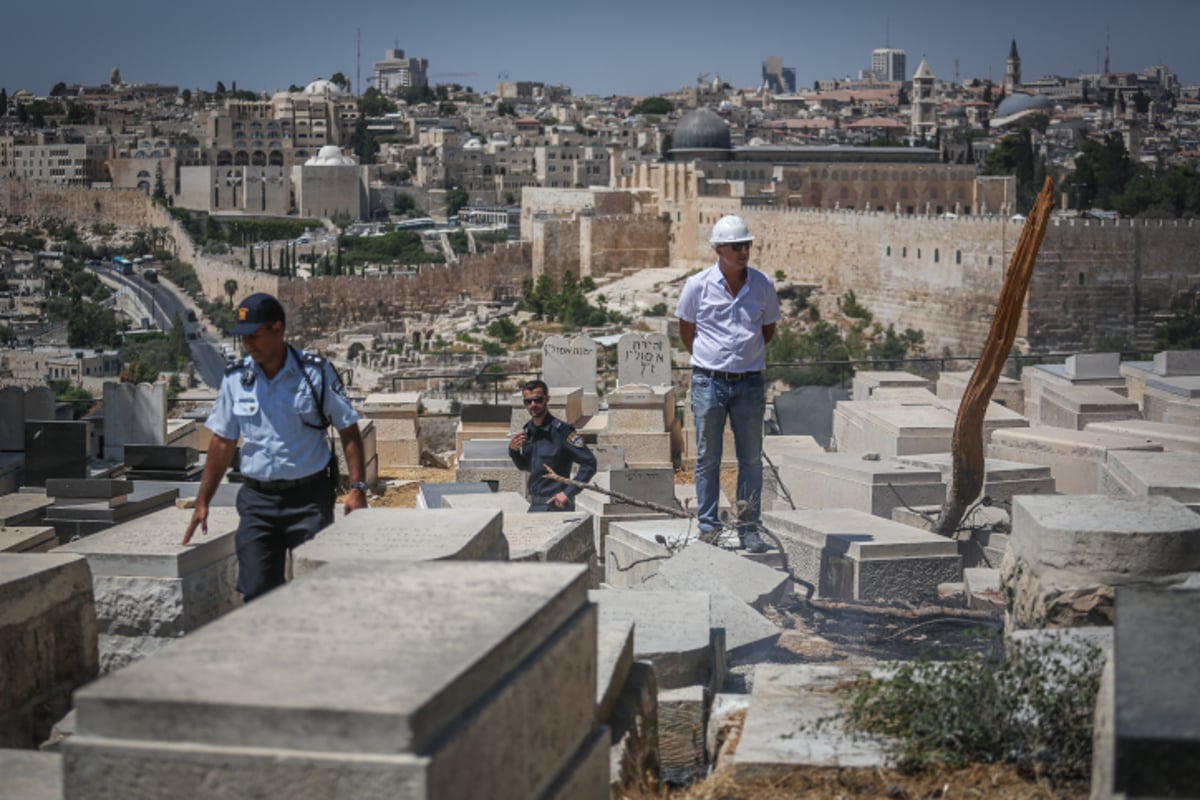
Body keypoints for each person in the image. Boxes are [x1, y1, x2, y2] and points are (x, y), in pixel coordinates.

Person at [182, 293, 367, 600]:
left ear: (277, 329)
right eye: (243, 338)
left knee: (315, 588)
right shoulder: (236, 378)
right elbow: (222, 442)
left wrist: (357, 488)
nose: (248, 345)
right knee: (256, 589)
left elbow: (348, 429)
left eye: (254, 336)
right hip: (258, 502)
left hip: (308, 499)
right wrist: (203, 501)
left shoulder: (315, 373)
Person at [676, 215, 781, 554]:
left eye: (747, 245)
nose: (743, 251)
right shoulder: (697, 285)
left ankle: (749, 528)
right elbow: (686, 331)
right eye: (736, 246)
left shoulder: (763, 285)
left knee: (751, 459)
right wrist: (713, 360)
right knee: (708, 458)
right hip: (709, 381)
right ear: (718, 249)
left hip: (749, 382)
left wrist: (743, 359)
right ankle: (708, 527)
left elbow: (768, 329)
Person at [509, 379, 597, 512]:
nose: (533, 405)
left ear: (547, 399)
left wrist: (567, 493)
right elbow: (526, 466)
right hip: (535, 502)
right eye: (528, 401)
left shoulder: (562, 431)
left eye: (538, 400)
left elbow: (589, 463)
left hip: (556, 505)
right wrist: (514, 451)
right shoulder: (529, 431)